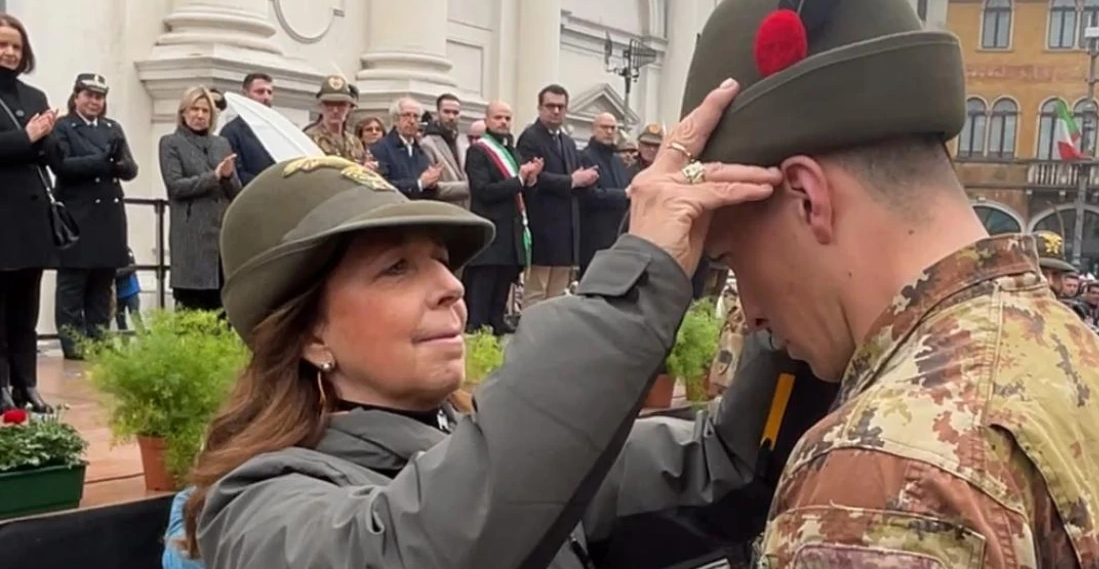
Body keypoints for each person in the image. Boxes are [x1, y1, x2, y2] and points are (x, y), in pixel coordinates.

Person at [678, 0, 1099, 565]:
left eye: (734, 258)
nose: (753, 312)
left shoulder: (884, 474)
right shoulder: (1080, 356)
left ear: (808, 197)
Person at [183, 117, 802, 568]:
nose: (452, 286)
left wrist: (789, 304)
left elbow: (727, 467)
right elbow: (426, 544)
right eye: (396, 269)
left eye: (441, 261)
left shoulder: (482, 447)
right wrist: (634, 280)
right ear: (310, 334)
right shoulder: (255, 510)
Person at [50, 73, 138, 359]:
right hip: (77, 215)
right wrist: (101, 161)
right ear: (76, 96)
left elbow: (130, 169)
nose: (94, 102)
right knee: (73, 285)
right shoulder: (63, 127)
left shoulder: (112, 128)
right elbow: (63, 165)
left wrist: (119, 162)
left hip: (108, 215)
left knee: (102, 283)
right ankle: (74, 343)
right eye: (88, 95)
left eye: (99, 97)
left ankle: (99, 339)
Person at [0, 12, 57, 413]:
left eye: (16, 46)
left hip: (30, 217)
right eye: (3, 45)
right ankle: (1, 386)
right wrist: (27, 137)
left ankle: (27, 384)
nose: (10, 52)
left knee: (26, 309)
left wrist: (49, 135)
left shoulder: (34, 97)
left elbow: (51, 155)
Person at [159, 86, 241, 311]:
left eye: (205, 111)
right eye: (194, 109)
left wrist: (227, 177)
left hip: (220, 237)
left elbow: (236, 191)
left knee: (221, 308)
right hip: (192, 236)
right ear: (184, 113)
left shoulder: (221, 144)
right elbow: (176, 186)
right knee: (192, 307)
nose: (200, 115)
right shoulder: (171, 143)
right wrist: (214, 176)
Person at [462, 100, 541, 334]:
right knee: (482, 293)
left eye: (507, 118)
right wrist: (519, 180)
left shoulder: (512, 151)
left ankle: (497, 322)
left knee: (502, 290)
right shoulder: (478, 151)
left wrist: (531, 179)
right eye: (498, 117)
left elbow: (520, 191)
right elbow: (483, 191)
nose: (503, 122)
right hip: (490, 232)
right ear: (487, 120)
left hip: (511, 232)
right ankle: (478, 333)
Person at [516, 84, 598, 307]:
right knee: (536, 291)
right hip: (542, 226)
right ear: (539, 108)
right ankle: (532, 328)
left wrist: (586, 178)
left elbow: (575, 177)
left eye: (560, 107)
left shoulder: (568, 142)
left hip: (566, 231)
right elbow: (531, 178)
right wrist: (572, 180)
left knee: (557, 295)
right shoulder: (530, 138)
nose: (555, 111)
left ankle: (550, 329)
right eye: (550, 106)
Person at [579, 113, 631, 276]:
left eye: (613, 128)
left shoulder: (618, 161)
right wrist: (622, 195)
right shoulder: (585, 157)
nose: (609, 132)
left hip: (618, 236)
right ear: (594, 129)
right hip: (593, 236)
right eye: (604, 127)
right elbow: (589, 195)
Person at [220, 72, 276, 185]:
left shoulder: (276, 130)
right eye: (260, 92)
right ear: (245, 94)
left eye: (269, 92)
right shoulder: (231, 132)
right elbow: (237, 174)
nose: (266, 97)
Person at [419, 93, 470, 209]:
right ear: (438, 113)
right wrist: (469, 187)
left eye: (455, 113)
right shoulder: (427, 144)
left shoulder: (463, 141)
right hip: (444, 209)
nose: (451, 117)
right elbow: (432, 187)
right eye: (446, 112)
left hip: (466, 209)